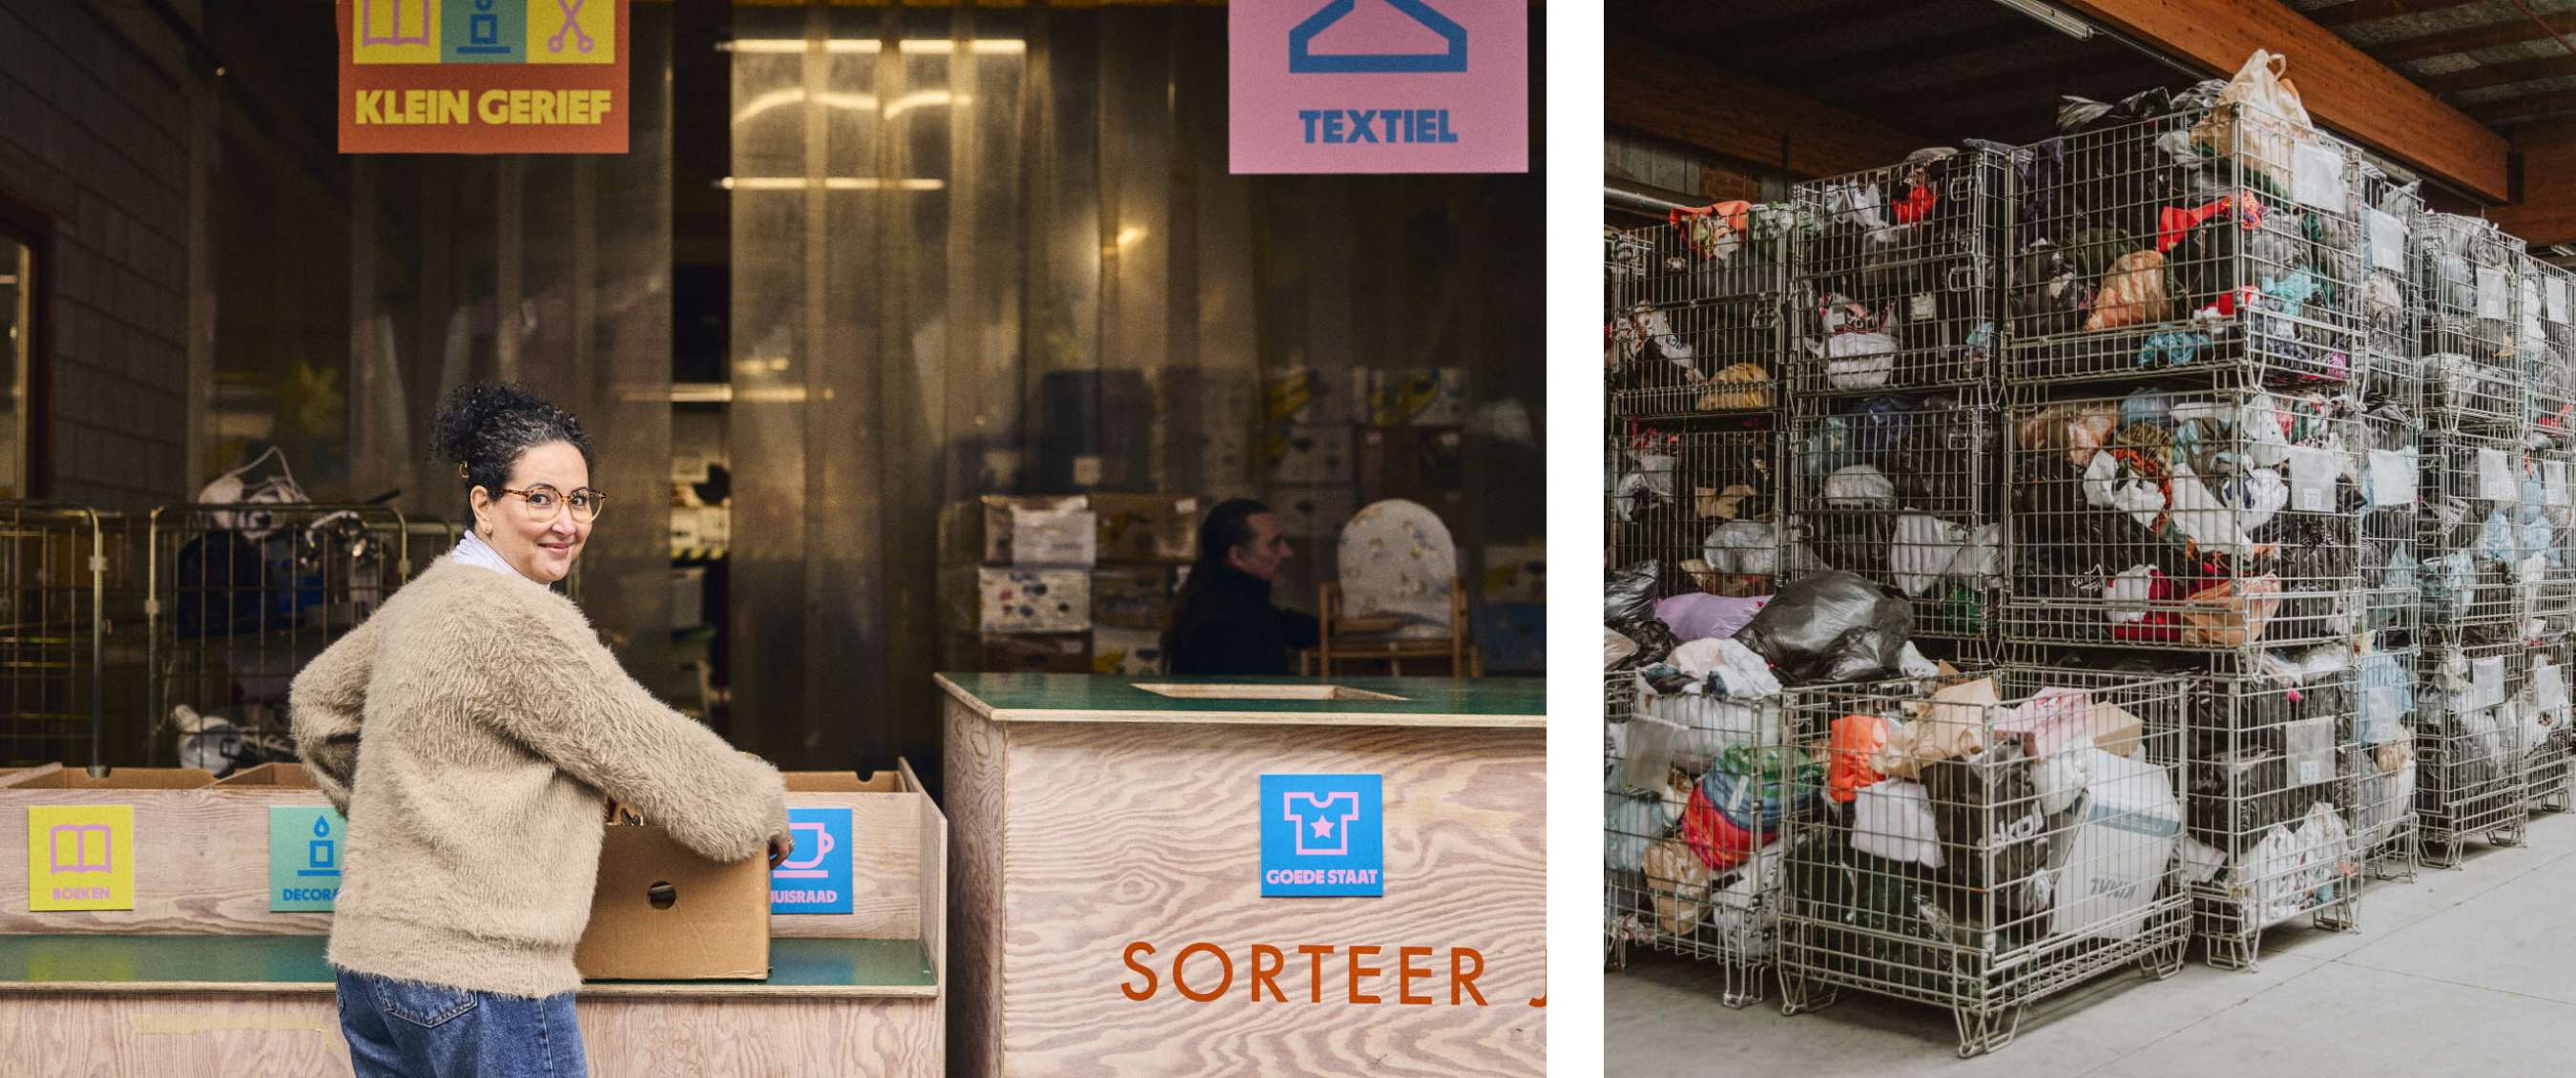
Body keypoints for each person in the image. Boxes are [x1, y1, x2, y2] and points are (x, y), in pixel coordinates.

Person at [290, 382, 791, 1078]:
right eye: (540, 498)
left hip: (373, 969)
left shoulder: (427, 598)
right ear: (484, 505)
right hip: (481, 979)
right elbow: (641, 748)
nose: (568, 522)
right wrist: (759, 810)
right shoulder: (520, 622)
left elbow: (317, 706)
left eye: (581, 499)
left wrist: (409, 808)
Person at [1162, 499, 1321, 675]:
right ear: (1238, 556)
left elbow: (1287, 625)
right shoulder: (1223, 621)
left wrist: (1339, 628)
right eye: (1274, 544)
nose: (1287, 552)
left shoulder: (1239, 604)